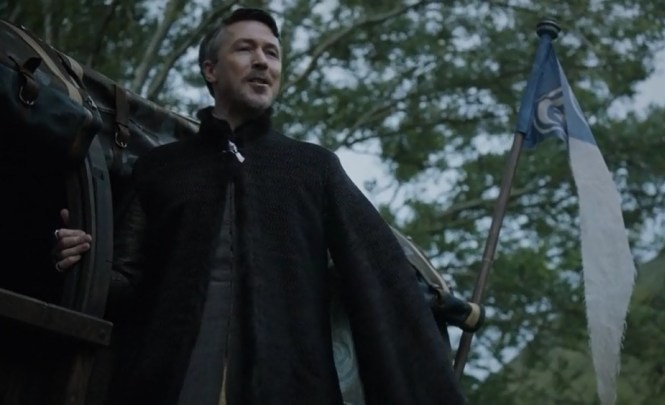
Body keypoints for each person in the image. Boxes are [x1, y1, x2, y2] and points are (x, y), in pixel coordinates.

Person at [53, 7, 465, 405]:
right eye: (245, 48)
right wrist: (83, 257)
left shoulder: (313, 168)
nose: (262, 62)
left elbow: (383, 278)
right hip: (168, 388)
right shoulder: (160, 168)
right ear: (211, 70)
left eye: (272, 53)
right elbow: (126, 282)